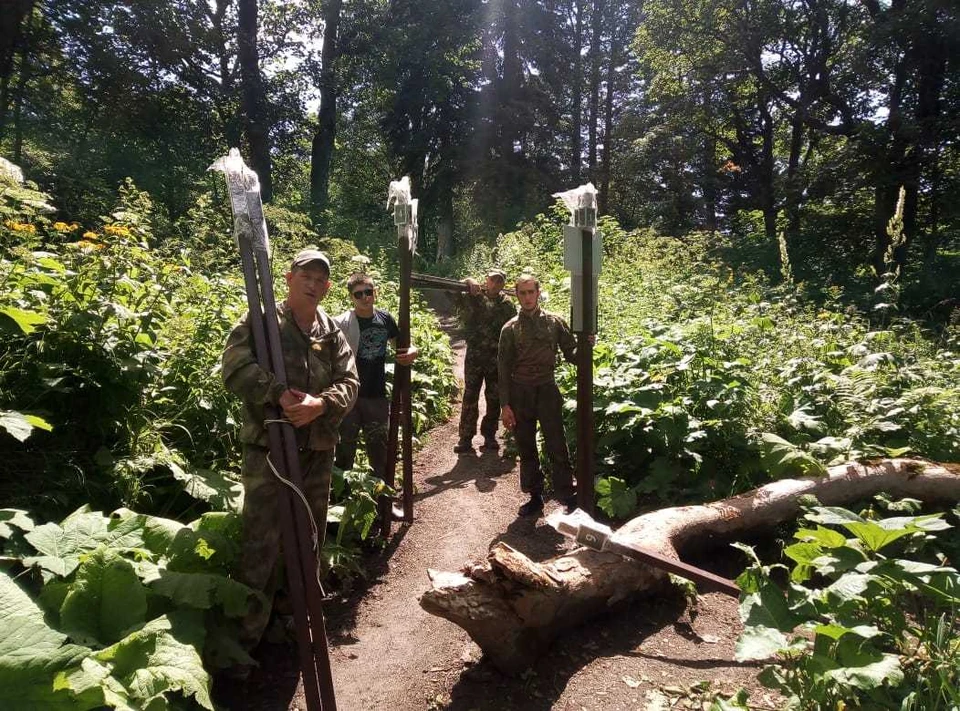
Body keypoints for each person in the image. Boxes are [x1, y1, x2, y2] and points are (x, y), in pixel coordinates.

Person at [222, 248, 359, 647]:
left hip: (316, 449)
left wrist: (321, 404)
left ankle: (296, 621)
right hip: (269, 448)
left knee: (309, 535)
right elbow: (234, 368)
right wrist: (279, 394)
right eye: (307, 276)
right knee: (260, 540)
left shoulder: (330, 330)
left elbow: (350, 382)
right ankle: (245, 641)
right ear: (288, 277)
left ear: (329, 286)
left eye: (321, 279)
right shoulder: (262, 323)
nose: (314, 285)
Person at [498, 273, 578, 517]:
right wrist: (505, 405)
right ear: (517, 295)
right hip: (520, 392)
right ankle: (535, 496)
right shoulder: (510, 329)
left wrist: (587, 344)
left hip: (547, 389)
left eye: (531, 292)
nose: (527, 297)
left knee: (556, 443)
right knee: (526, 445)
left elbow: (572, 353)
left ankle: (567, 494)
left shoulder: (555, 322)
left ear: (538, 292)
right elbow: (502, 368)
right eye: (522, 293)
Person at [333, 273, 418, 483]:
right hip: (349, 397)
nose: (364, 297)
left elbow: (401, 344)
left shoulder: (385, 319)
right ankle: (340, 504)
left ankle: (383, 505)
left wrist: (413, 351)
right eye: (358, 294)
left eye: (368, 292)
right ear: (351, 297)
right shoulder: (342, 323)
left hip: (377, 396)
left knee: (380, 452)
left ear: (375, 293)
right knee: (344, 452)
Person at [453, 268, 517, 454]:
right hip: (474, 356)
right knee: (470, 396)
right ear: (486, 280)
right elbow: (453, 294)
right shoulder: (473, 295)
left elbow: (509, 327)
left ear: (503, 284)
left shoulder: (507, 304)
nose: (496, 284)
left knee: (494, 398)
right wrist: (468, 280)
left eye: (499, 281)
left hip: (496, 358)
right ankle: (465, 438)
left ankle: (489, 435)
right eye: (492, 280)